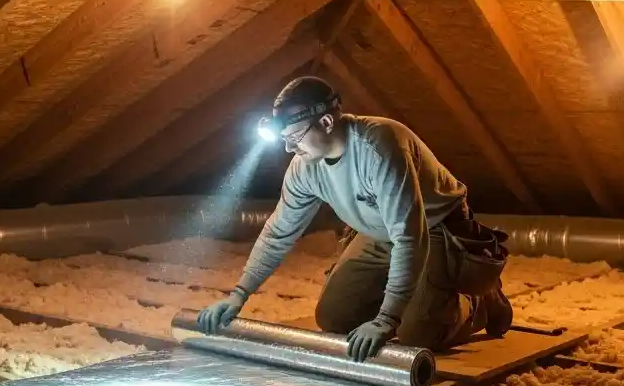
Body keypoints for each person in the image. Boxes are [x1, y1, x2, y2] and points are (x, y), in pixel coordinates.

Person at [197, 75, 512, 362]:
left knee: (417, 334)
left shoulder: (380, 147)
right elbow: (278, 232)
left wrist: (387, 320)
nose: (289, 147)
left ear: (327, 122)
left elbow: (409, 237)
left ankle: (481, 301)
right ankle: (417, 298)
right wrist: (239, 294)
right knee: (334, 318)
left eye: (294, 136)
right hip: (378, 230)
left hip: (432, 228)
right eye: (284, 139)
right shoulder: (304, 166)